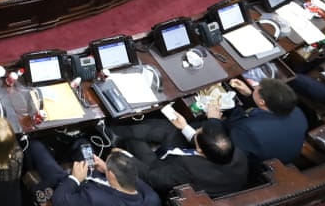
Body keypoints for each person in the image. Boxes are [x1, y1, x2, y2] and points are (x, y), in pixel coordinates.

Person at [111, 114, 248, 198]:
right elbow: (206, 144)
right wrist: (185, 127)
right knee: (167, 128)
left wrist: (125, 157)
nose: (196, 131)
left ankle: (107, 134)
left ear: (200, 150)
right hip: (184, 157)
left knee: (134, 141)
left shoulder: (189, 169)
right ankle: (116, 129)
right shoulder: (235, 152)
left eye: (197, 133)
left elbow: (152, 178)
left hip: (160, 168)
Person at [207, 77, 307, 168]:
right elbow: (265, 110)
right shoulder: (296, 111)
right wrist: (251, 96)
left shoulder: (248, 129)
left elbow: (223, 151)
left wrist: (214, 120)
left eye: (256, 89)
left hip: (257, 167)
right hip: (283, 152)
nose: (255, 88)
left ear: (262, 102)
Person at [26, 142, 159, 206]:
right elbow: (132, 177)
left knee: (35, 146)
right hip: (96, 177)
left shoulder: (95, 198)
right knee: (83, 143)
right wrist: (106, 168)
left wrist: (74, 179)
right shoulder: (152, 199)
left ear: (112, 175)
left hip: (70, 186)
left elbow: (58, 200)